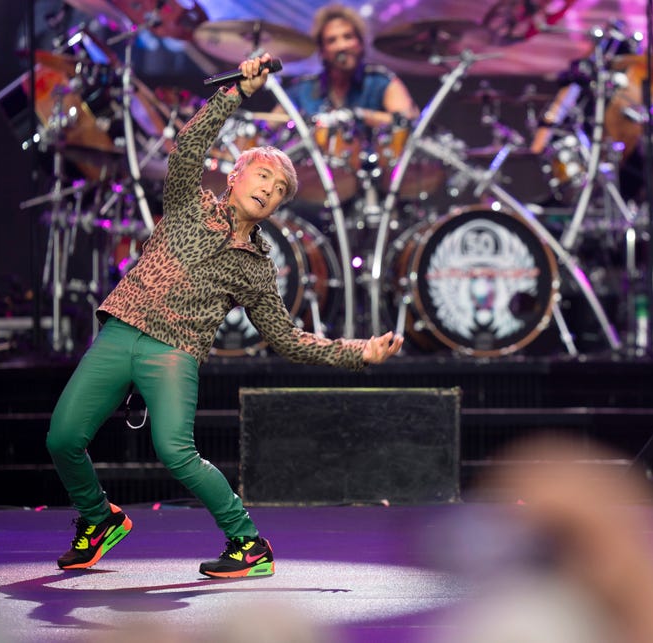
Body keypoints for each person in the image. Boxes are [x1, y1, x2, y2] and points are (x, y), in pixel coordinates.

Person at [45, 52, 405, 579]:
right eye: (262, 175)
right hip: (121, 331)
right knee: (61, 439)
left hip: (174, 353)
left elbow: (287, 339)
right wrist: (236, 92)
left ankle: (249, 543)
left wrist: (358, 352)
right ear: (235, 176)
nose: (268, 189)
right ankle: (99, 519)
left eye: (279, 191)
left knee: (175, 451)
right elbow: (189, 145)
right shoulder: (188, 205)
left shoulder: (256, 268)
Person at [271, 4, 420, 205]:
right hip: (310, 187)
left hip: (372, 184)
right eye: (332, 40)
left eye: (348, 37)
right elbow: (268, 126)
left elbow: (408, 121)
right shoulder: (303, 88)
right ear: (322, 51)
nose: (342, 46)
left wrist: (358, 115)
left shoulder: (381, 81)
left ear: (360, 43)